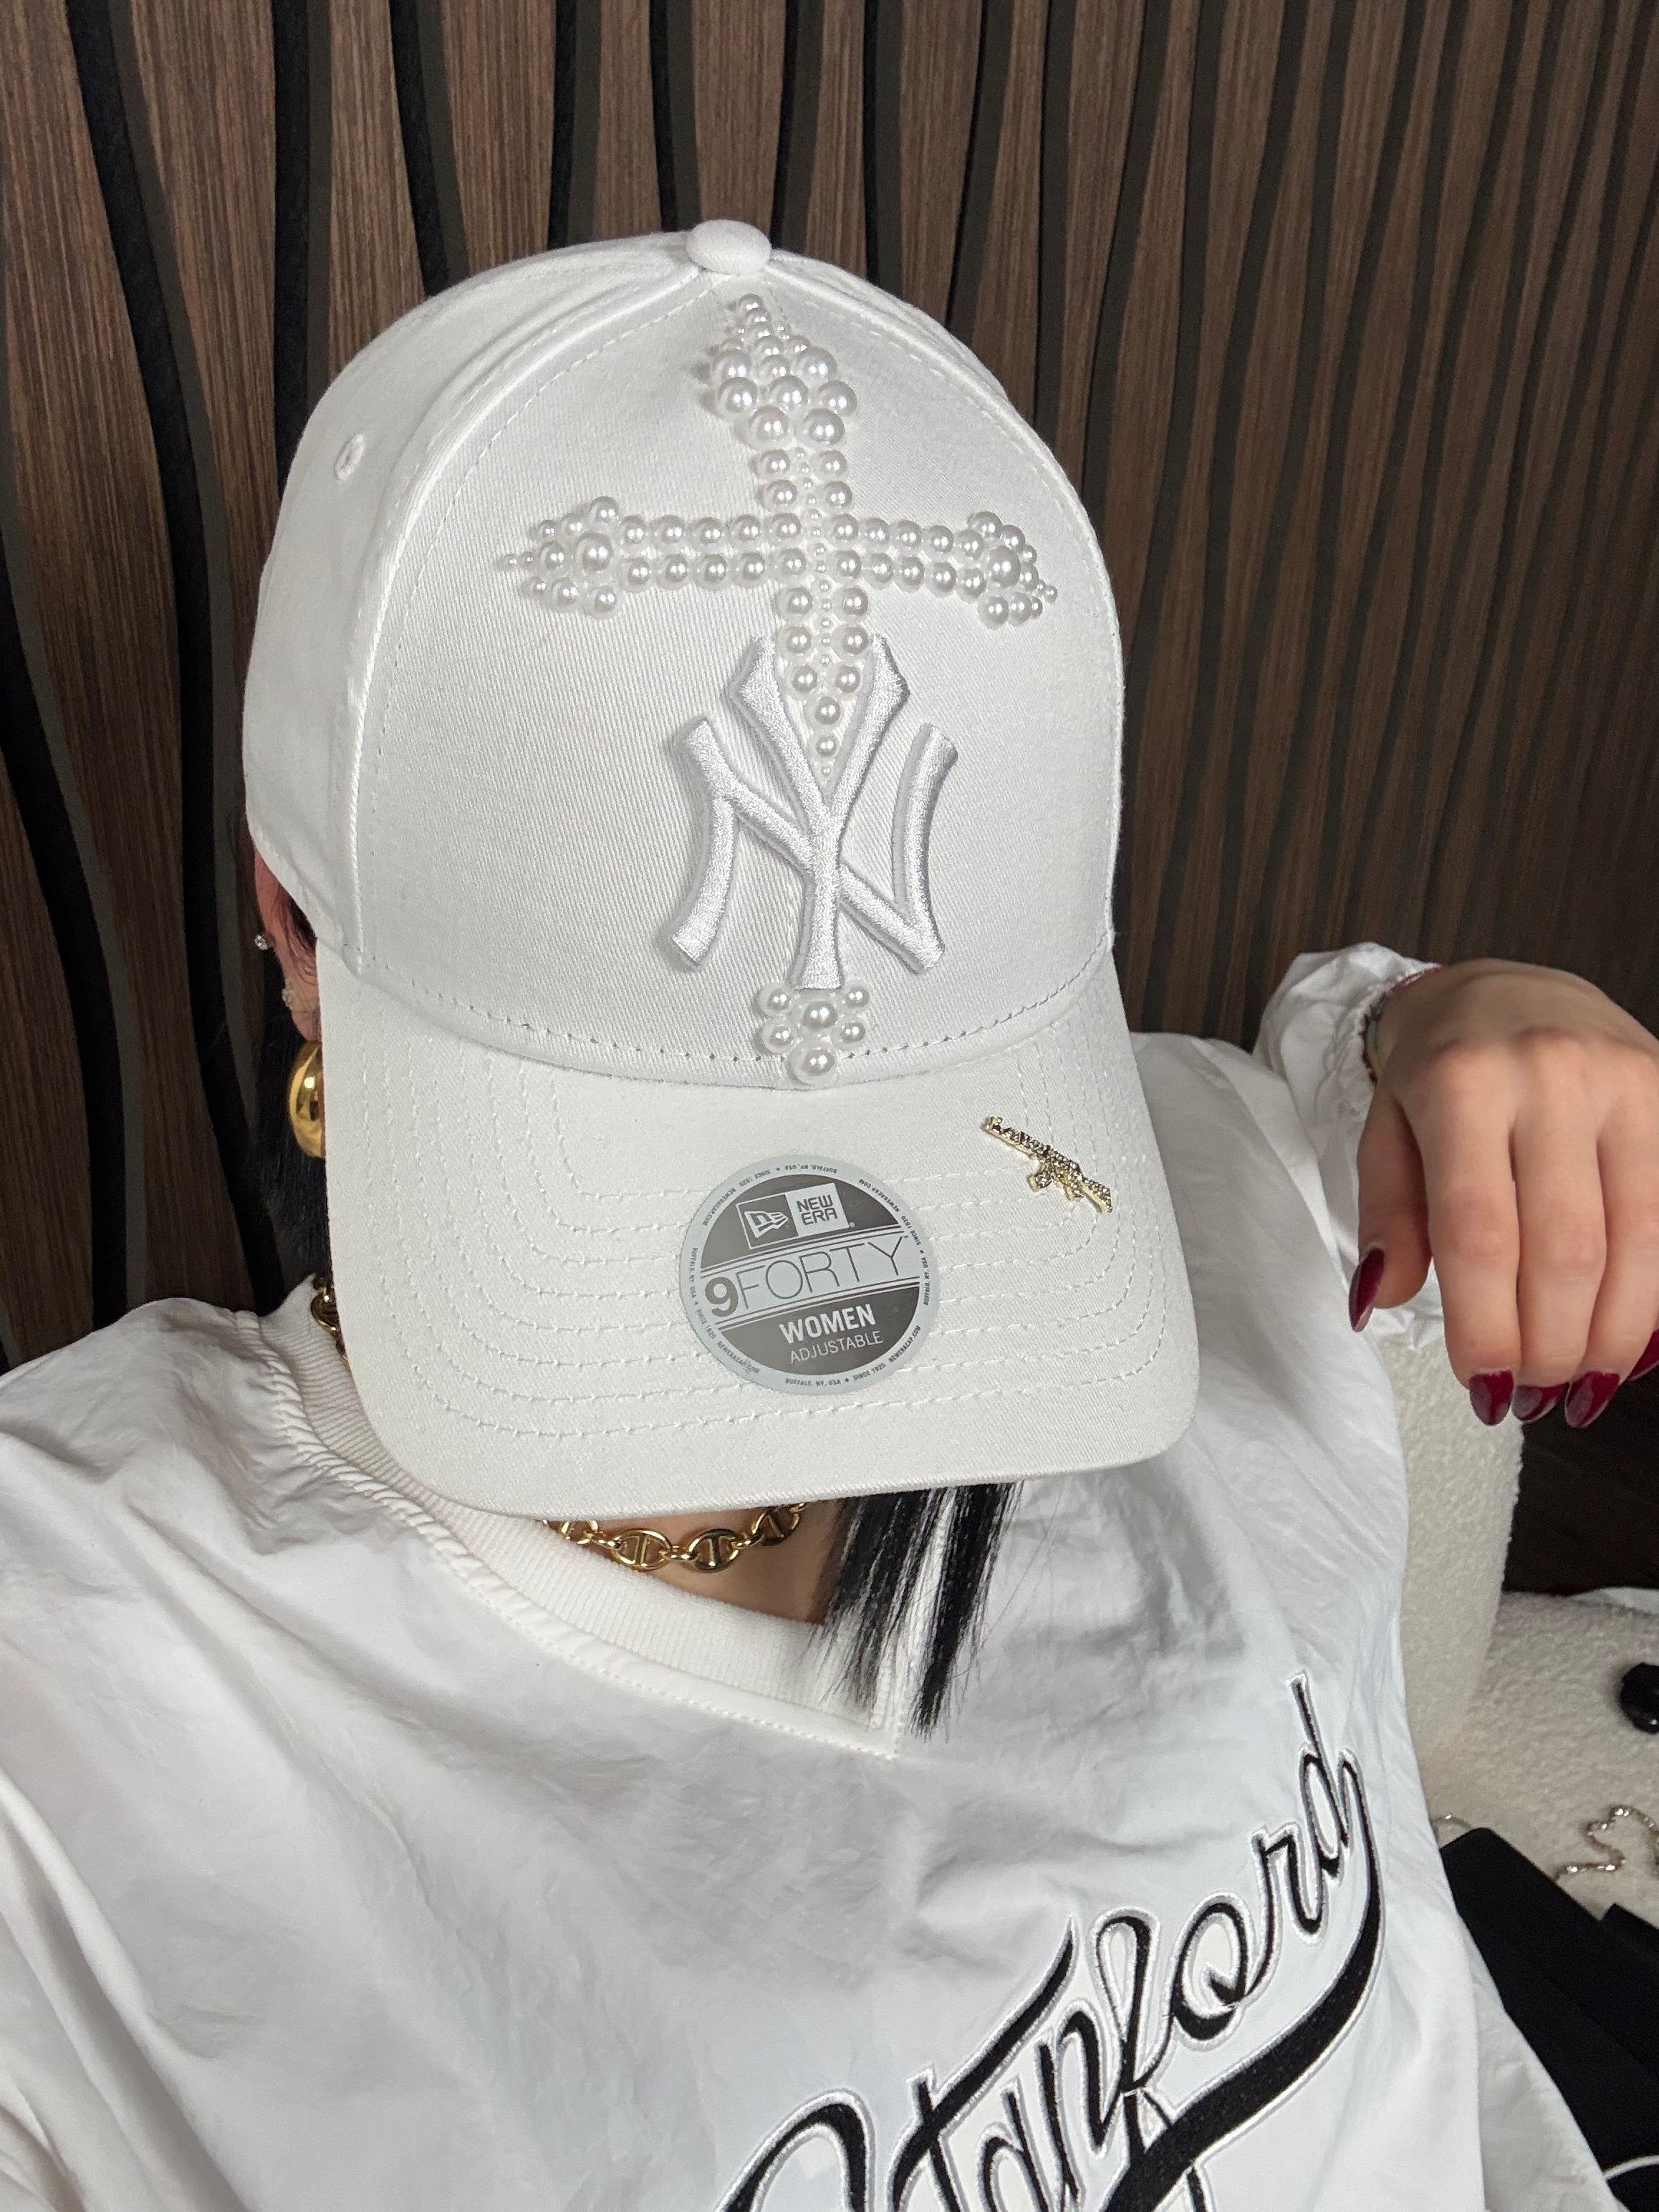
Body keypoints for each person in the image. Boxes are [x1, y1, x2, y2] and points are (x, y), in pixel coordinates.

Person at [0, 219, 1655, 2212]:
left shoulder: (1192, 1184)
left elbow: (1319, 1078)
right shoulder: (75, 1675)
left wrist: (1457, 1019)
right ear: (293, 928)